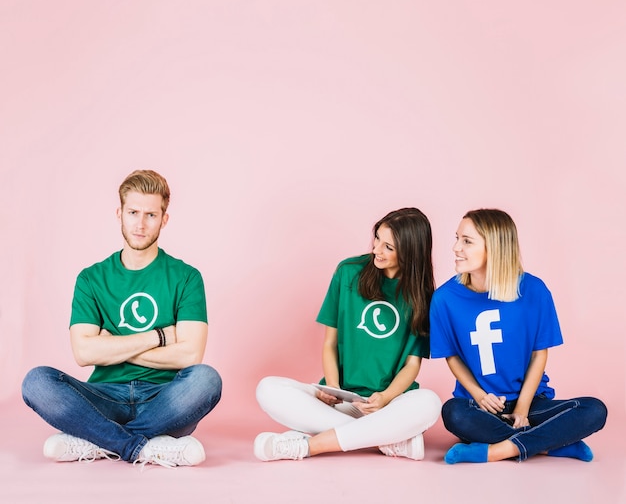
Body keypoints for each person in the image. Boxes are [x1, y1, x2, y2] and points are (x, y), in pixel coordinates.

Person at [22, 170, 222, 467]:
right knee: (36, 382)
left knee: (206, 380)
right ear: (120, 214)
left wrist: (112, 345)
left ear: (164, 220)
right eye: (133, 212)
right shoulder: (91, 278)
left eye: (151, 215)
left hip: (164, 400)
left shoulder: (186, 277)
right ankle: (143, 446)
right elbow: (84, 353)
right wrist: (160, 336)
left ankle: (97, 440)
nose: (140, 224)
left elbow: (191, 354)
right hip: (104, 397)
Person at [254, 207, 442, 462]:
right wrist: (332, 387)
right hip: (343, 400)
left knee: (429, 402)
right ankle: (385, 440)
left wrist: (385, 398)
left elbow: (412, 364)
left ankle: (310, 445)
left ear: (410, 253)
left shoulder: (423, 296)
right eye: (377, 238)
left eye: (389, 247)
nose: (376, 250)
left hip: (391, 405)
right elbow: (330, 343)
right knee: (268, 389)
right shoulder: (348, 272)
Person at [429, 208, 607, 464]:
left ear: (495, 247)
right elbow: (452, 356)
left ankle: (497, 451)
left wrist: (522, 408)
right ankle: (549, 445)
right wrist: (479, 396)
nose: (456, 247)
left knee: (594, 410)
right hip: (480, 406)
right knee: (453, 413)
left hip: (532, 401)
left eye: (467, 241)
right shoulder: (445, 298)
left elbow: (539, 354)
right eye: (457, 238)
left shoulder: (534, 290)